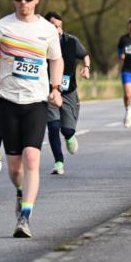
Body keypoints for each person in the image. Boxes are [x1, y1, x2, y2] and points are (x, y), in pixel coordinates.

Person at [0, 0, 63, 237]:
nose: (23, 2)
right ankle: (19, 191)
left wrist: (56, 88)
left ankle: (25, 217)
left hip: (36, 102)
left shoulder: (48, 30)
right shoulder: (2, 27)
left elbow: (56, 59)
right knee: (15, 168)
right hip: (7, 101)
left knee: (32, 158)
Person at [44, 12, 89, 175]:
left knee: (67, 130)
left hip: (69, 91)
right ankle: (58, 162)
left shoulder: (71, 41)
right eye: (54, 26)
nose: (58, 30)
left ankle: (70, 136)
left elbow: (85, 55)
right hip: (49, 91)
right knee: (53, 126)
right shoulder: (41, 43)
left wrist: (87, 67)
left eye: (59, 26)